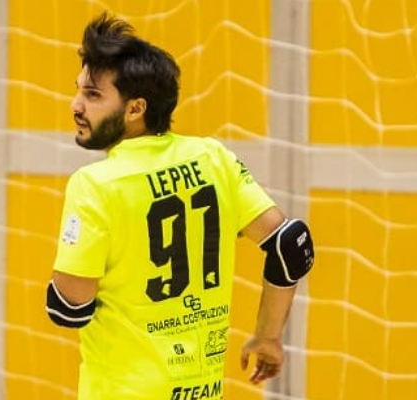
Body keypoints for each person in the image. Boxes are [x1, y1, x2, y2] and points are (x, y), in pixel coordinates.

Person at [45, 12, 315, 400]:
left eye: (92, 95)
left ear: (135, 109)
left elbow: (70, 309)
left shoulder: (95, 184)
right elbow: (290, 244)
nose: (75, 106)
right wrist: (267, 336)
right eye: (78, 91)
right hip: (201, 390)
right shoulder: (213, 158)